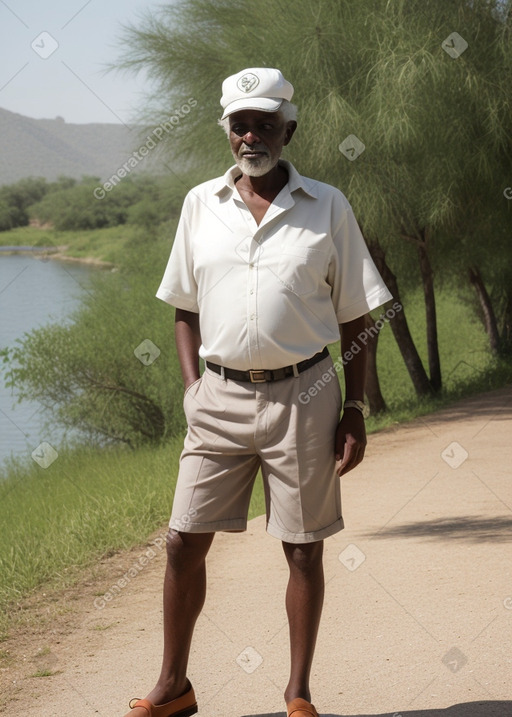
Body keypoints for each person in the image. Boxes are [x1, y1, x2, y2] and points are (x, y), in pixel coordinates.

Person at [124, 67, 392, 717]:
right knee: (183, 538)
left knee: (302, 546)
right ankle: (173, 684)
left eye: (265, 123)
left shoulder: (328, 205)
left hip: (305, 393)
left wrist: (355, 408)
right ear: (227, 132)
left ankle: (298, 691)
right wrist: (192, 389)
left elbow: (359, 313)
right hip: (216, 397)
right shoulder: (199, 205)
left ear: (288, 129)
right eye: (240, 124)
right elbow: (184, 310)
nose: (252, 135)